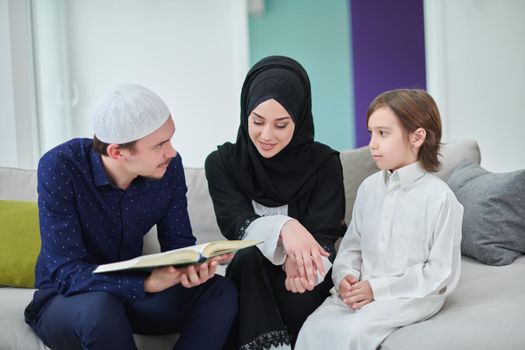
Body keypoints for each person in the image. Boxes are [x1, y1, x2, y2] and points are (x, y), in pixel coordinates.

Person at [24, 84, 237, 350]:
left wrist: (195, 265)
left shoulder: (169, 168)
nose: (171, 152)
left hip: (135, 299)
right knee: (101, 308)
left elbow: (179, 245)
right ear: (117, 152)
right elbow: (66, 273)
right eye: (160, 145)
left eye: (170, 139)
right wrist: (146, 282)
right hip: (70, 299)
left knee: (219, 292)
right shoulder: (60, 167)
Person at [295, 89, 464, 350]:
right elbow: (352, 247)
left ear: (417, 136)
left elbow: (441, 273)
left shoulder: (440, 198)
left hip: (411, 295)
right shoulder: (368, 188)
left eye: (383, 133)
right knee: (313, 327)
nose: (372, 143)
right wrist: (346, 277)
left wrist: (377, 289)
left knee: (352, 333)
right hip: (361, 291)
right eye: (371, 133)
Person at [205, 56, 346, 349]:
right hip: (248, 278)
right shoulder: (223, 163)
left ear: (300, 118)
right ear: (245, 113)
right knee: (248, 256)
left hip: (303, 280)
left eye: (281, 125)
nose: (266, 136)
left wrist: (305, 263)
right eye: (257, 121)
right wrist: (286, 227)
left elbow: (326, 233)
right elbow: (236, 225)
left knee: (290, 279)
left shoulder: (324, 164)